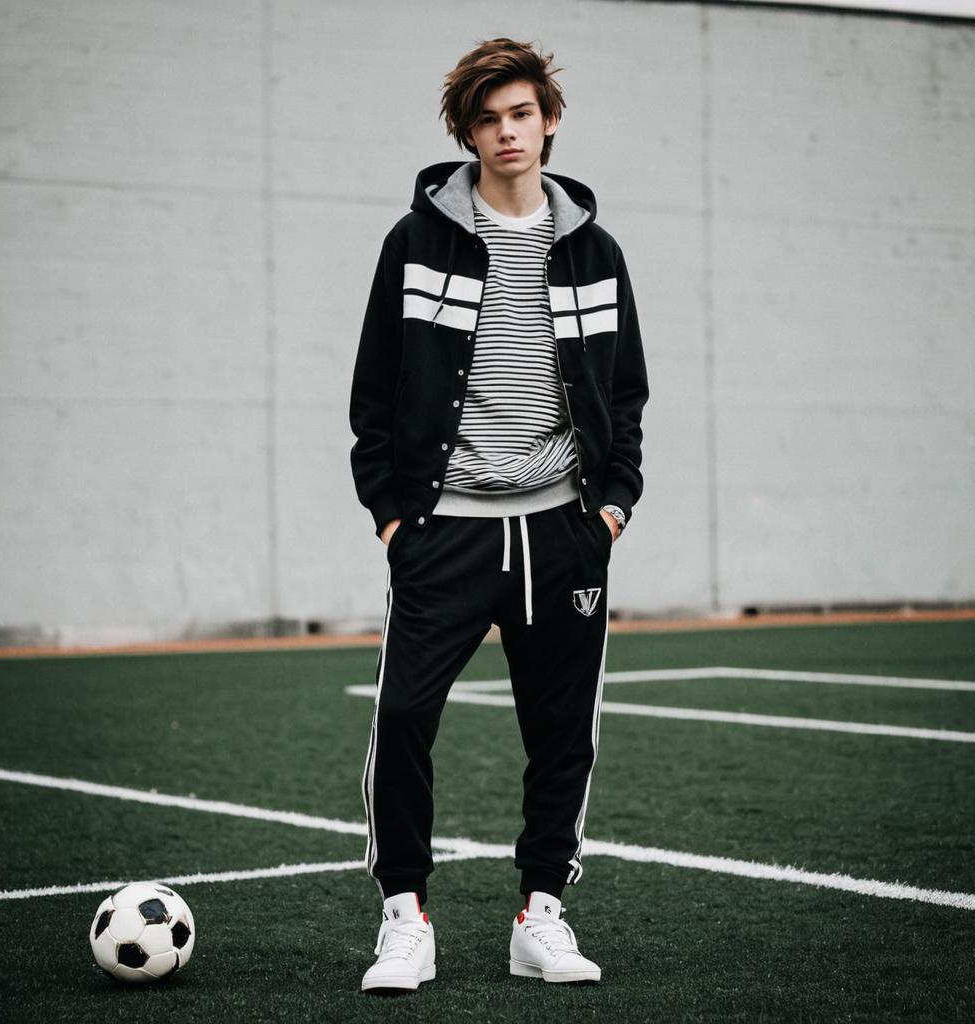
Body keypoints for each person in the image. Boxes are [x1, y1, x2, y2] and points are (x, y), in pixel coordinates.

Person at [349, 37, 648, 992]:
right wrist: (394, 517)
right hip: (446, 529)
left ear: (549, 120)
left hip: (563, 531)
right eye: (488, 118)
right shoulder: (416, 242)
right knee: (402, 721)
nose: (506, 132)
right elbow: (374, 394)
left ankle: (540, 917)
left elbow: (627, 396)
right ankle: (405, 919)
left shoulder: (596, 253)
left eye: (521, 113)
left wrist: (610, 507)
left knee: (563, 733)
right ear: (467, 132)